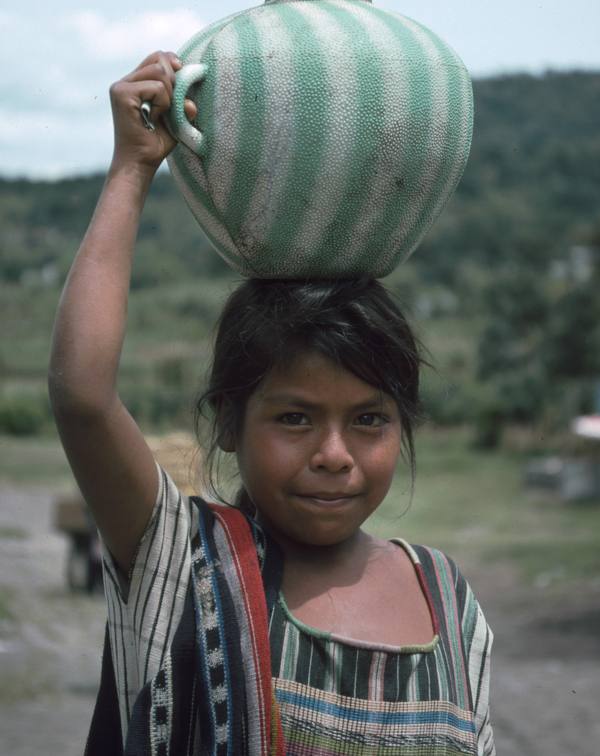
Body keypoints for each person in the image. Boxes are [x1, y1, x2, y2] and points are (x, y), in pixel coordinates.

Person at [48, 51, 495, 756]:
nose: (334, 456)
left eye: (369, 419)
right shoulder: (185, 563)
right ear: (229, 422)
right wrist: (133, 169)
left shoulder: (446, 597)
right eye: (294, 418)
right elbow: (82, 397)